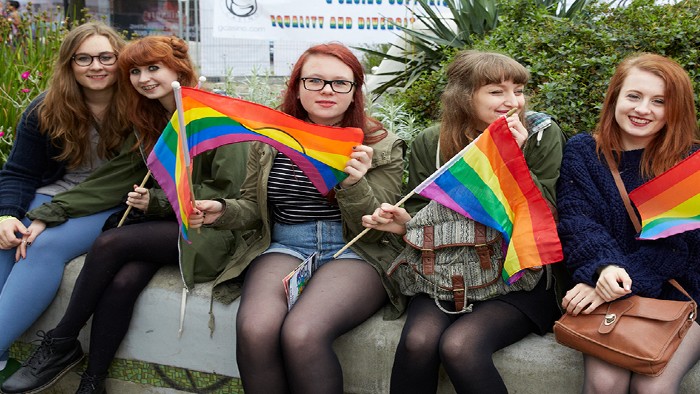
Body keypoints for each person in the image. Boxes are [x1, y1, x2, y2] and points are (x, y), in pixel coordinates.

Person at [0, 36, 250, 394]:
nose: (144, 78)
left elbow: (230, 194)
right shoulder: (151, 119)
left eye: (154, 68)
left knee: (111, 242)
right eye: (134, 71)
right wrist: (48, 214)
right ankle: (92, 383)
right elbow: (112, 179)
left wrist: (158, 203)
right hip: (165, 226)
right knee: (121, 283)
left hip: (214, 228)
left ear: (178, 68)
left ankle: (61, 341)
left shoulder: (214, 116)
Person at [190, 42, 406, 393]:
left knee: (302, 333)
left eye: (340, 83)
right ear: (297, 87)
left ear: (354, 92)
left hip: (354, 250)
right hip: (286, 244)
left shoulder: (380, 143)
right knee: (255, 329)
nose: (326, 91)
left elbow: (377, 225)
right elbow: (251, 206)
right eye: (315, 81)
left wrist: (353, 182)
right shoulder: (272, 138)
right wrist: (221, 211)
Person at [361, 50, 567, 393]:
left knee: (460, 346)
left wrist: (512, 158)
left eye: (518, 90)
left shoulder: (542, 135)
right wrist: (404, 222)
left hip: (520, 274)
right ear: (463, 96)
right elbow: (422, 209)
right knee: (418, 342)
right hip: (447, 269)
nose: (512, 100)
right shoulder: (433, 141)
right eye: (496, 91)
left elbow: (547, 215)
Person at [557, 53, 700, 393]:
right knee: (604, 383)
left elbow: (679, 246)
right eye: (634, 96)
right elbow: (578, 220)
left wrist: (613, 281)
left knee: (653, 388)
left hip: (684, 289)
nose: (642, 109)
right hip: (613, 288)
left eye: (659, 101)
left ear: (674, 109)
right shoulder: (584, 152)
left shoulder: (690, 161)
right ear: (615, 97)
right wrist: (603, 269)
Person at [0, 21, 133, 385]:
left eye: (106, 56)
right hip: (55, 193)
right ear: (69, 64)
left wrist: (45, 217)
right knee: (7, 240)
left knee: (41, 245)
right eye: (84, 58)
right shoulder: (46, 107)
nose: (97, 66)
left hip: (108, 201)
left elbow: (122, 181)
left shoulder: (141, 107)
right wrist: (7, 216)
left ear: (121, 59)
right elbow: (19, 173)